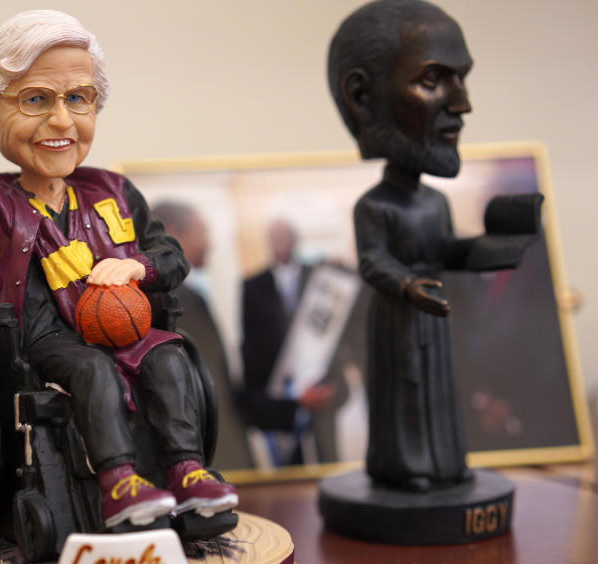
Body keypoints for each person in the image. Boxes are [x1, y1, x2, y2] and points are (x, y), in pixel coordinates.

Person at [0, 10, 236, 530]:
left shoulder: (114, 191)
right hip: (42, 340)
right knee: (91, 369)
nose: (61, 121)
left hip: (124, 327)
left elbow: (171, 254)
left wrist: (136, 268)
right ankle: (118, 483)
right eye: (36, 99)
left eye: (77, 99)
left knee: (170, 358)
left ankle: (186, 472)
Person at [328, 0, 538, 491]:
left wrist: (499, 246)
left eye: (462, 78)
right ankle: (406, 467)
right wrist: (407, 286)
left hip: (432, 315)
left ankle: (444, 462)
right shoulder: (375, 206)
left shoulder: (436, 203)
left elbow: (448, 250)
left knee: (439, 389)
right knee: (405, 389)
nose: (462, 104)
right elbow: (372, 261)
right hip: (401, 315)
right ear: (362, 98)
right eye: (433, 80)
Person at [153, 201, 253, 470]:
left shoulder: (191, 297)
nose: (209, 243)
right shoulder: (170, 302)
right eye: (202, 232)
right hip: (211, 460)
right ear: (173, 233)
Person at [240, 219, 334, 464]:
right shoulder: (252, 285)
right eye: (275, 239)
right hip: (278, 380)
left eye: (284, 238)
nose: (280, 245)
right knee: (289, 455)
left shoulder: (319, 276)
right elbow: (249, 339)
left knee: (326, 448)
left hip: (317, 375)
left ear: (295, 240)